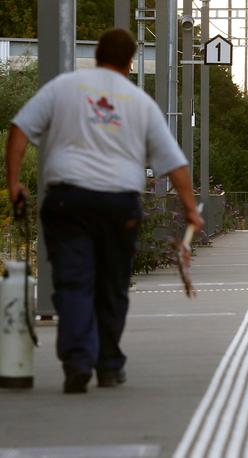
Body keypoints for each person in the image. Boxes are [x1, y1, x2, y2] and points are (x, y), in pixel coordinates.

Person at [4, 28, 204, 394]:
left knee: (73, 282)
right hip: (118, 205)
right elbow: (176, 165)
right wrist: (191, 210)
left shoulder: (64, 87)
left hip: (68, 201)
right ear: (130, 62)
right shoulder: (139, 102)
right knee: (112, 284)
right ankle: (109, 364)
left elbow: (19, 129)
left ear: (96, 54)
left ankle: (78, 362)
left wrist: (14, 182)